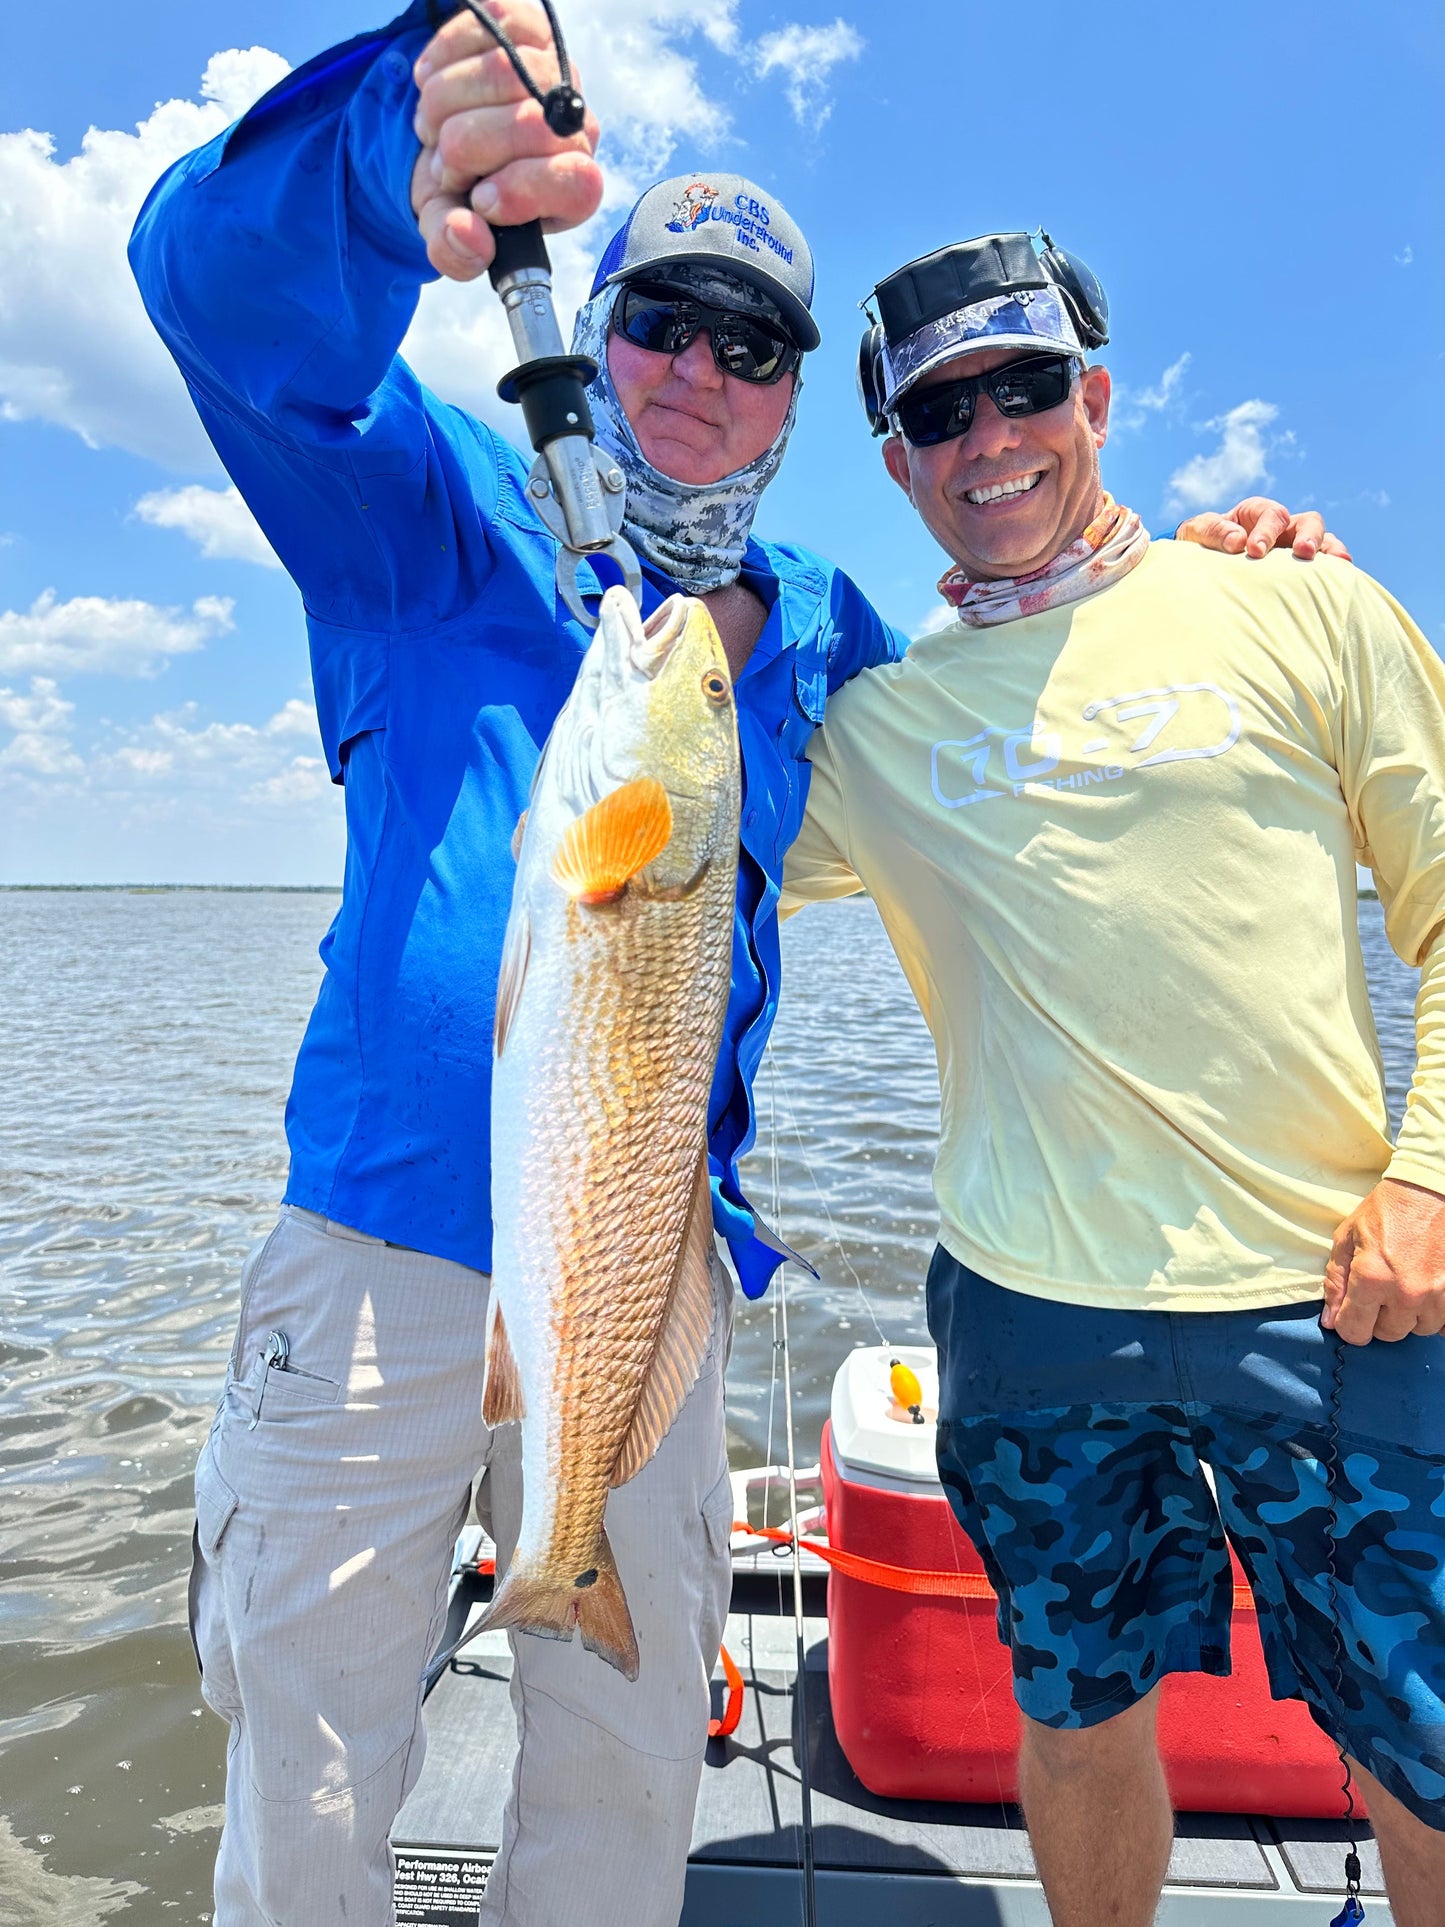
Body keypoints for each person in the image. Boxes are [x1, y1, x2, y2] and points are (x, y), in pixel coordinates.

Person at [129, 5, 1336, 1921]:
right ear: (593, 334)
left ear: (793, 406)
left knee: (621, 1746)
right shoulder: (420, 508)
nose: (698, 369)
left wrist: (1187, 568)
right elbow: (219, 306)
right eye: (660, 322)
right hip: (376, 1255)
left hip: (644, 1265)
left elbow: (1021, 713)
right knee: (311, 1742)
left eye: (751, 346)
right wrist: (389, 143)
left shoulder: (823, 630)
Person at [782, 230, 1445, 1927]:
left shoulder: (1308, 602)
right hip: (1026, 1316)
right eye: (940, 413)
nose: (987, 435)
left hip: (1333, 1300)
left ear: (1091, 396)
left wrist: (1432, 1173)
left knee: (1419, 1742)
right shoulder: (877, 729)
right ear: (898, 465)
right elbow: (652, 846)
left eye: (1021, 388)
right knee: (1074, 1717)